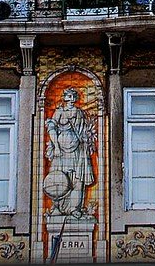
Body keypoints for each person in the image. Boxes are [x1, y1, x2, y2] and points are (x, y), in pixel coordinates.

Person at [44, 87, 96, 217]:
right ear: (65, 97)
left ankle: (75, 208)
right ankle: (57, 208)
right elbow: (51, 128)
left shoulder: (79, 113)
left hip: (77, 150)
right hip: (61, 150)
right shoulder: (59, 111)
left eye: (73, 96)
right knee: (58, 177)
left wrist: (86, 142)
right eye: (68, 96)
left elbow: (84, 132)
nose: (71, 98)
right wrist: (56, 146)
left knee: (77, 179)